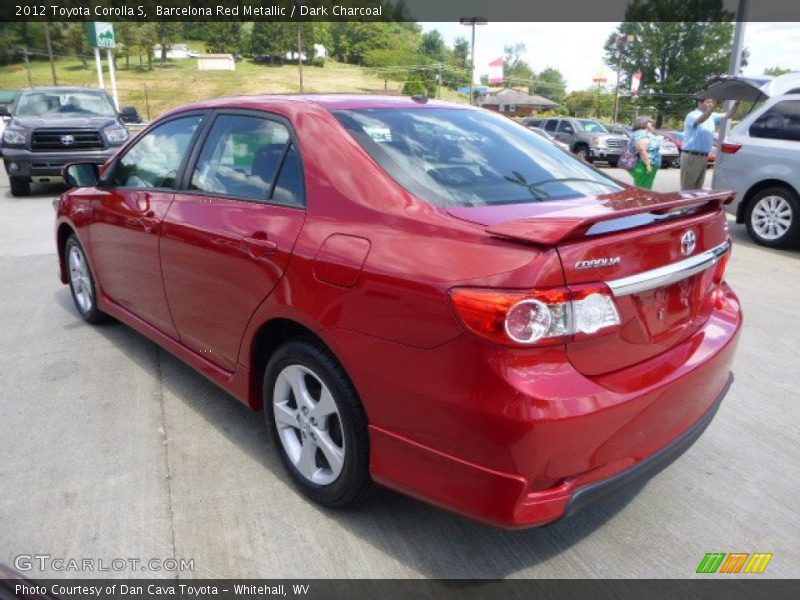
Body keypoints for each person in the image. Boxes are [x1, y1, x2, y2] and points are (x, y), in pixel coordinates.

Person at [680, 95, 739, 190]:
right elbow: (702, 119)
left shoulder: (713, 116)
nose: (710, 104)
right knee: (688, 188)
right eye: (708, 102)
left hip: (704, 156)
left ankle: (695, 205)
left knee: (698, 188)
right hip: (691, 156)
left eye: (712, 102)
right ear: (699, 103)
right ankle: (686, 205)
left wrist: (737, 103)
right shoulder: (692, 115)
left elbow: (729, 115)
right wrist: (714, 106)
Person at [629, 116, 661, 190]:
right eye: (650, 122)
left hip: (642, 165)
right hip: (643, 166)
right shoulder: (641, 133)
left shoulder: (640, 133)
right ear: (644, 123)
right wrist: (648, 165)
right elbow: (642, 149)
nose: (652, 123)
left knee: (643, 188)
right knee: (643, 190)